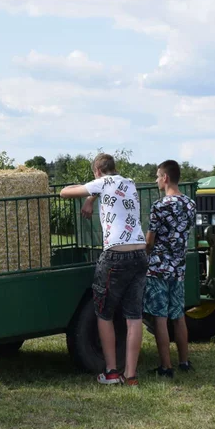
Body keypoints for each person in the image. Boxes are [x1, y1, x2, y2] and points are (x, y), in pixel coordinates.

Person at [60, 154, 148, 385]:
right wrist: (91, 197)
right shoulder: (129, 182)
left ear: (97, 170)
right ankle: (130, 375)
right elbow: (110, 194)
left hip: (116, 253)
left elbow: (65, 193)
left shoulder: (102, 182)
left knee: (104, 312)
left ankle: (110, 372)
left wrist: (84, 190)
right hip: (140, 252)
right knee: (133, 316)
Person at [144, 160, 197, 379]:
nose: (156, 180)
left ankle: (166, 367)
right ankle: (184, 361)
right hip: (178, 268)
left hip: (158, 268)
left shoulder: (160, 206)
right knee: (179, 315)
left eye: (157, 176)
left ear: (165, 178)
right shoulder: (190, 204)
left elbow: (149, 242)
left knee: (160, 318)